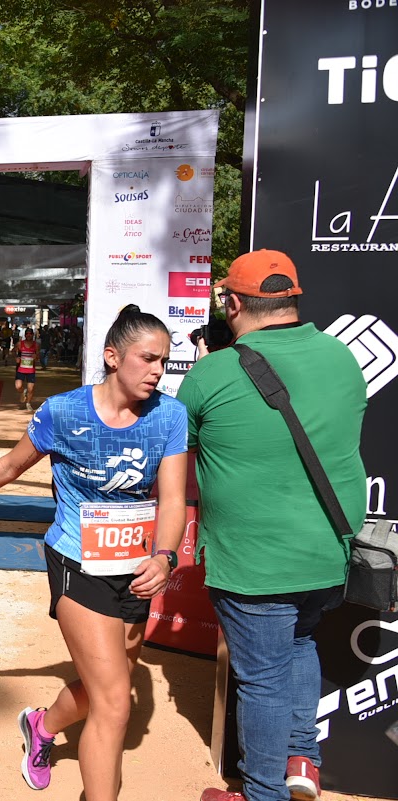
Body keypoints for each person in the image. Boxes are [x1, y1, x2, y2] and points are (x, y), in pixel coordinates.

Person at [0, 305, 186, 801]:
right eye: (148, 358)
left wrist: (165, 557)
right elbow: (10, 466)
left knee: (105, 685)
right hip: (76, 560)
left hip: (136, 568)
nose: (158, 371)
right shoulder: (63, 411)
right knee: (115, 701)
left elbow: (172, 498)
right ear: (112, 357)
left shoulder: (170, 416)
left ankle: (41, 727)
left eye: (163, 361)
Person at [177, 251, 366, 801]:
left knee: (261, 678)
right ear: (292, 299)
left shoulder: (213, 372)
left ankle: (262, 793)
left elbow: (177, 446)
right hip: (329, 550)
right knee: (300, 642)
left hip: (254, 560)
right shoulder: (342, 357)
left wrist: (210, 367)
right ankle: (301, 759)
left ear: (233, 304)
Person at [14, 328, 40, 411]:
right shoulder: (20, 344)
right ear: (25, 335)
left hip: (30, 370)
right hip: (20, 369)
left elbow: (38, 356)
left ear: (33, 335)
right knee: (18, 386)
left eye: (30, 334)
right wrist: (16, 358)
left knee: (31, 389)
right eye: (27, 334)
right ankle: (23, 391)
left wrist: (36, 357)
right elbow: (14, 352)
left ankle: (28, 403)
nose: (28, 335)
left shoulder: (36, 345)